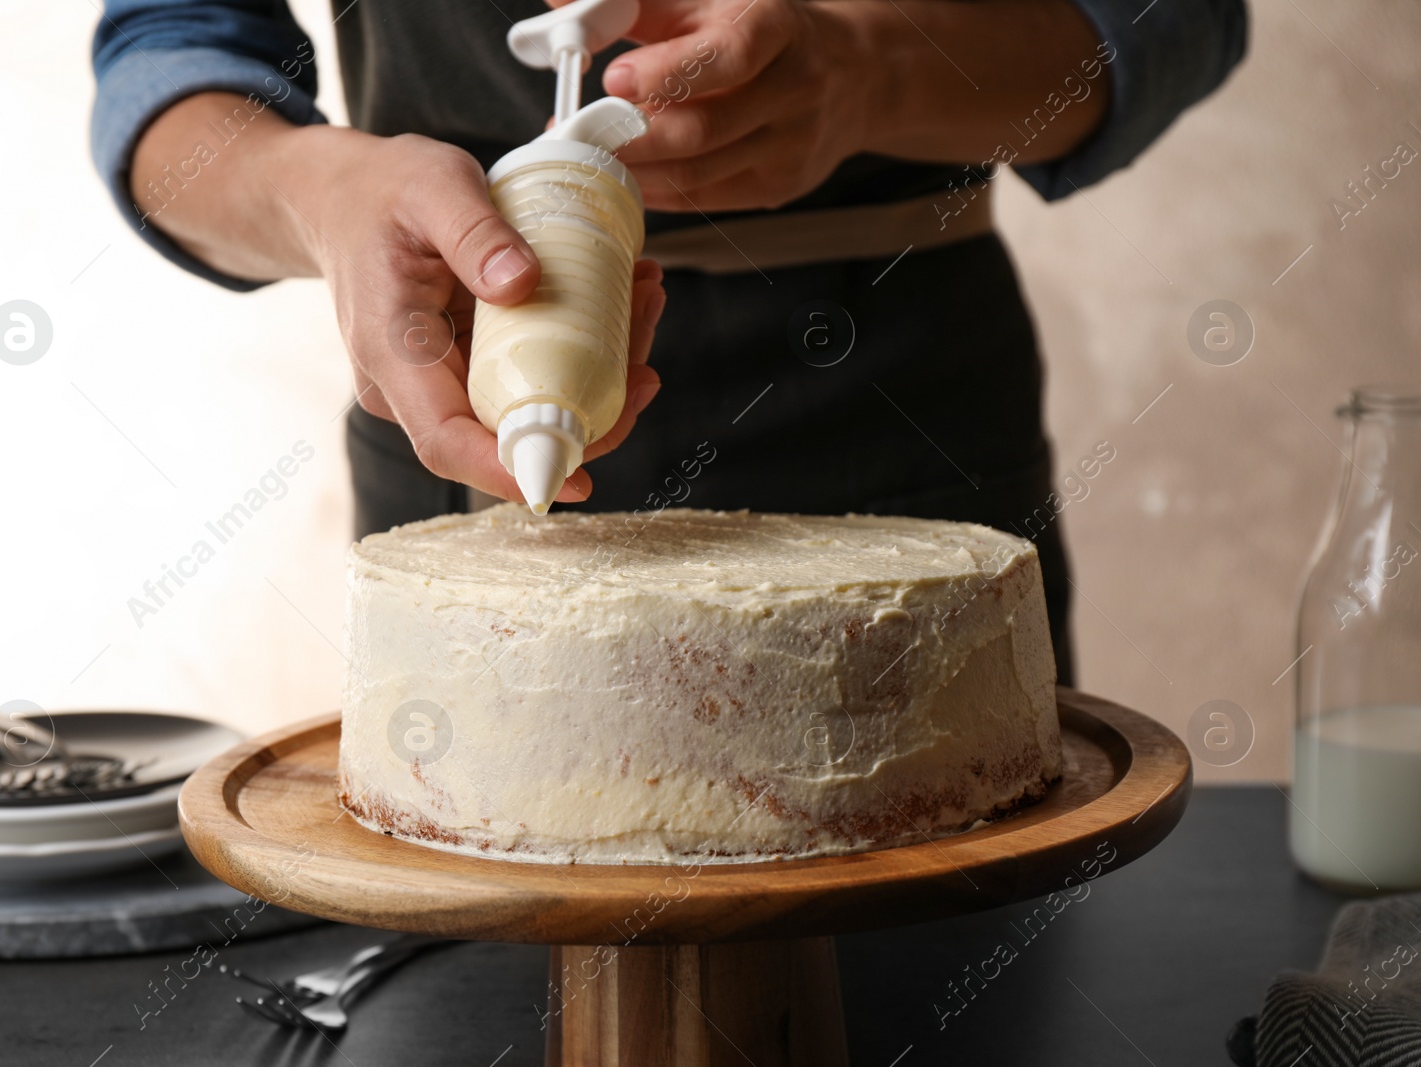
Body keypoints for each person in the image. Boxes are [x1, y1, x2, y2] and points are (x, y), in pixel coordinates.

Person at [91, 0, 1247, 683]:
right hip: (461, 424)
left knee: (944, 965)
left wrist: (870, 70)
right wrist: (315, 188)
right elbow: (169, 44)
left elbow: (1169, 18)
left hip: (905, 419)